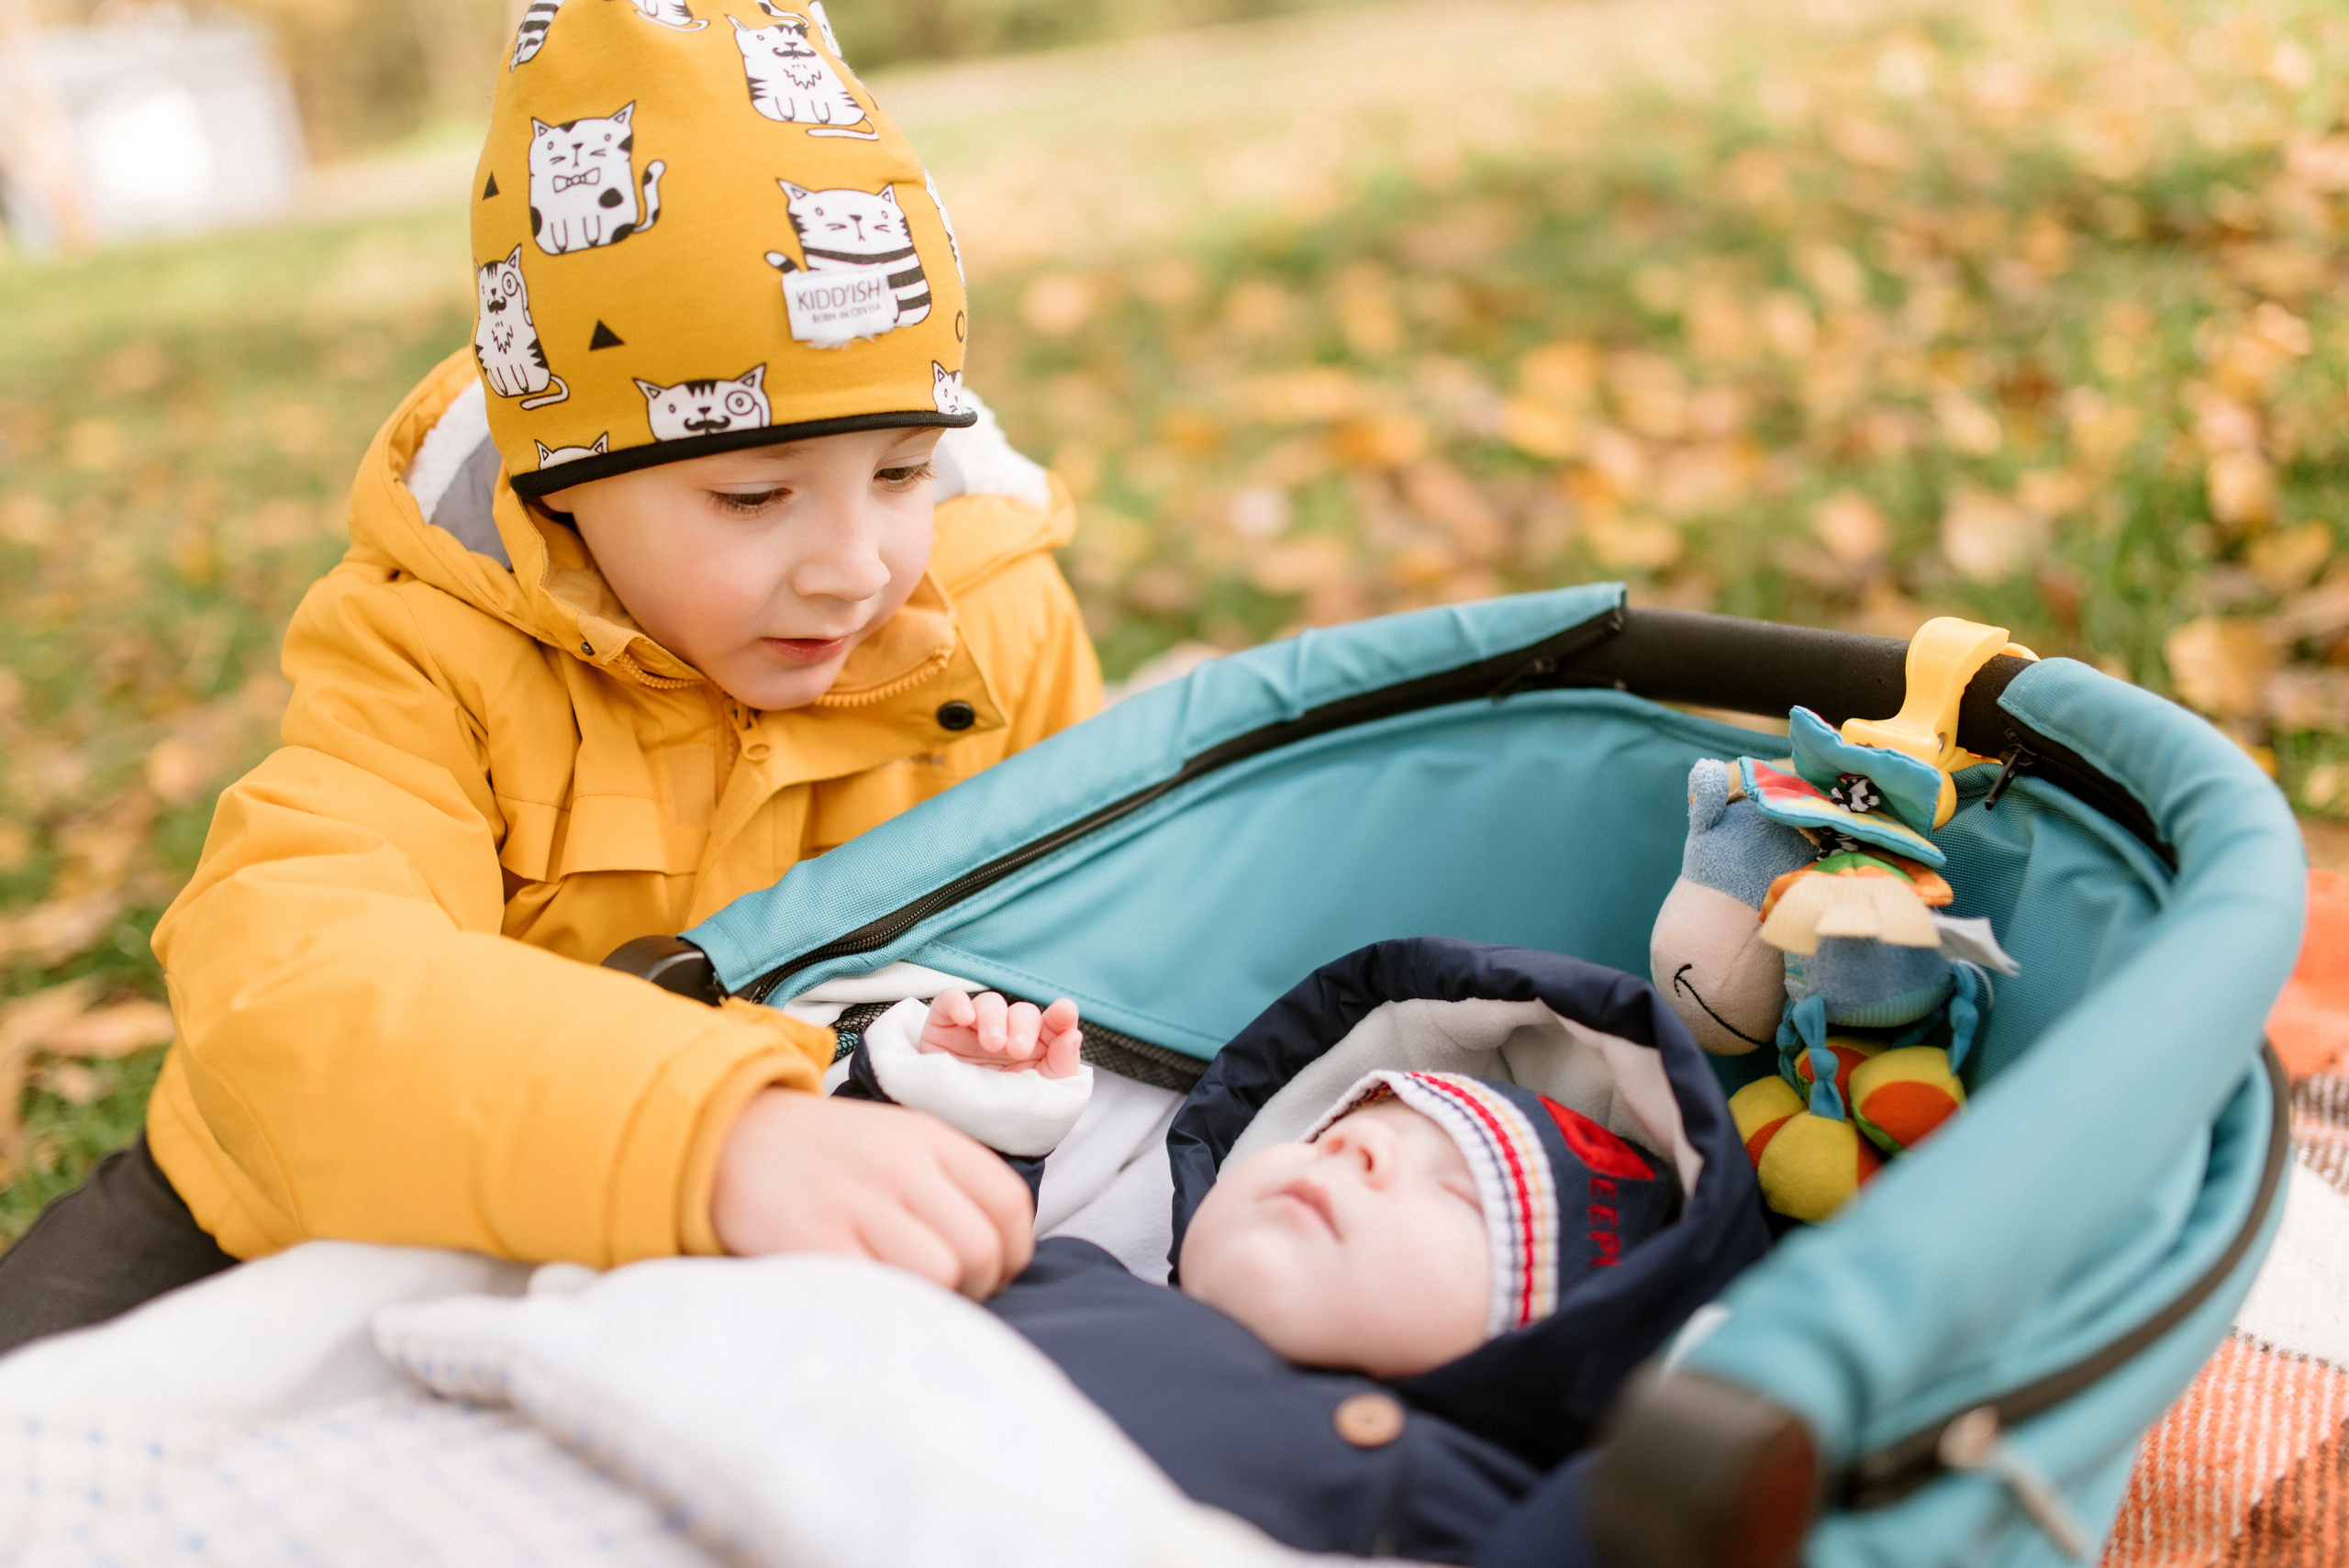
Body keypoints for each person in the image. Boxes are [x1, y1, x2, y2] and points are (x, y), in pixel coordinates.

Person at [0, 0, 1098, 1352]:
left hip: (840, 1169)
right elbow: (286, 988)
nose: (854, 565)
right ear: (562, 486)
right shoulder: (425, 650)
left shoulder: (997, 617)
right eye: (753, 497)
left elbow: (1105, 921)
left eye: (900, 470)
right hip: (379, 1179)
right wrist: (703, 1134)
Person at [836, 938, 1761, 1562]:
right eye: (1331, 1134)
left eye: (1461, 1188)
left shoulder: (1480, 1499)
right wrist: (963, 1120)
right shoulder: (1061, 1263)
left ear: (1556, 1338)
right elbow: (839, 1261)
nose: (1359, 1144)